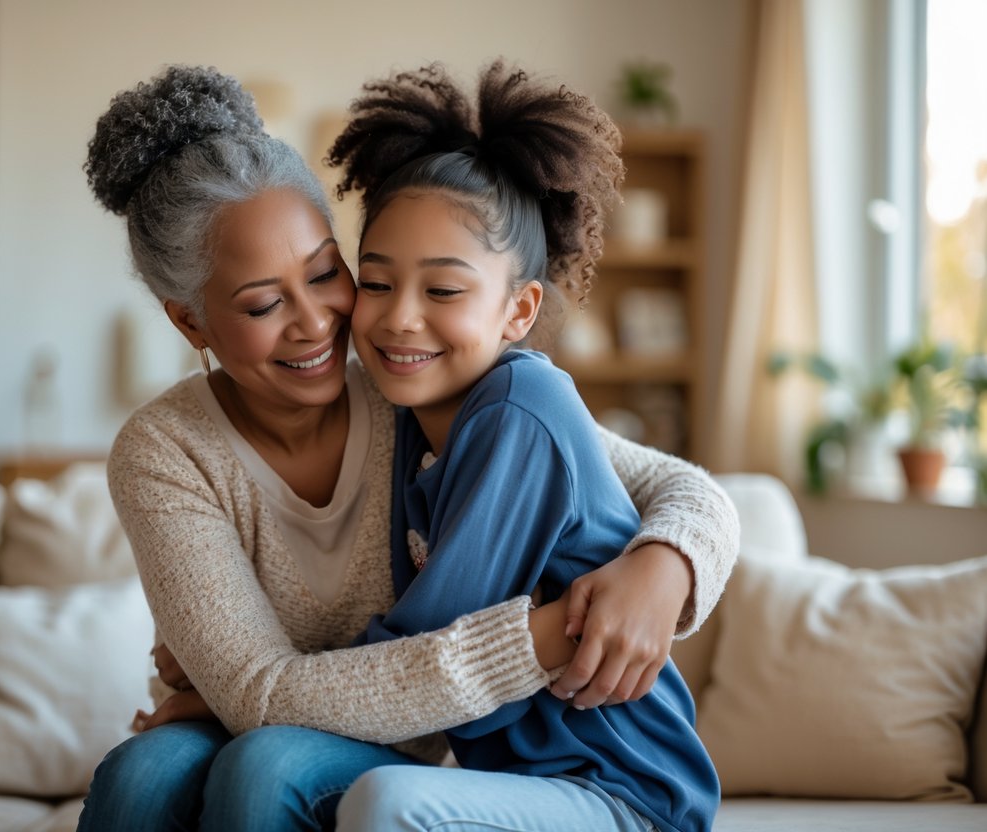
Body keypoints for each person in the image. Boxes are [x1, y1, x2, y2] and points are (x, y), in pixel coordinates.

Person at [77, 64, 737, 832]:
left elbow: (687, 491)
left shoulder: (432, 393)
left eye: (327, 274)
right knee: (141, 776)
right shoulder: (170, 450)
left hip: (468, 746)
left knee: (268, 764)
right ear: (190, 323)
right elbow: (261, 692)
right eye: (262, 303)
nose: (317, 322)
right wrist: (233, 699)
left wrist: (664, 568)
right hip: (370, 721)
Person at [319, 61, 718, 832]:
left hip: (626, 795)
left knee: (385, 803)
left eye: (442, 291)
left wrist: (251, 692)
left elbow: (424, 655)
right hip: (524, 788)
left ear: (517, 309)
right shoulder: (410, 414)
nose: (400, 318)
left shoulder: (519, 407)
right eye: (375, 282)